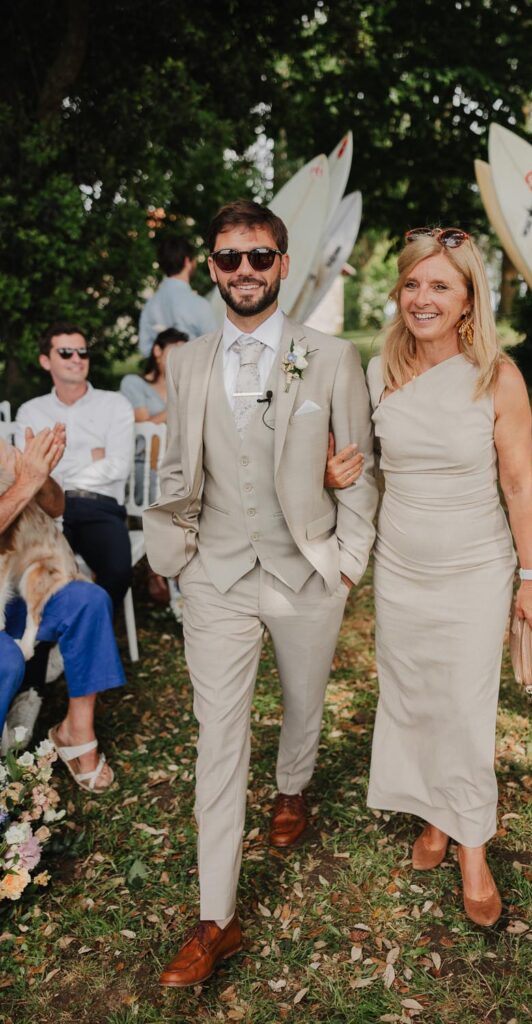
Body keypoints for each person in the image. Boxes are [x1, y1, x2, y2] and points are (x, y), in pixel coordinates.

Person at [143, 199, 377, 987]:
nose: (244, 270)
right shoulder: (188, 362)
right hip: (215, 576)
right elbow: (179, 466)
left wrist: (346, 560)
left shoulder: (332, 358)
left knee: (303, 702)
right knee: (218, 739)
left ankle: (293, 787)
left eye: (259, 257)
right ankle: (216, 918)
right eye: (228, 258)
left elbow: (361, 468)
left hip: (306, 569)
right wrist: (170, 553)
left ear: (283, 264)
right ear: (211, 267)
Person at [329, 226, 532, 928]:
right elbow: (363, 466)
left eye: (440, 286)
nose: (422, 299)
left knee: (461, 705)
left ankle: (472, 846)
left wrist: (530, 576)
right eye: (413, 284)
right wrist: (337, 473)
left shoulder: (497, 376)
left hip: (474, 566)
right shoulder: (380, 370)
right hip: (401, 565)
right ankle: (431, 813)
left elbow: (518, 487)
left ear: (466, 300)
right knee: (413, 696)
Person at [0, 428, 126, 792]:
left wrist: (41, 477)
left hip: (21, 585)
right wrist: (27, 482)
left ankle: (76, 730)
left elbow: (56, 507)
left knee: (90, 600)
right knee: (7, 658)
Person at [16, 323, 135, 608]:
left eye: (82, 352)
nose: (77, 359)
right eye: (66, 352)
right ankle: (43, 644)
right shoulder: (31, 411)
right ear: (46, 361)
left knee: (118, 572)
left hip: (98, 506)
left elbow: (118, 466)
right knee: (28, 571)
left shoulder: (115, 404)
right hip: (45, 510)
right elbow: (29, 471)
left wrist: (57, 471)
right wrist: (94, 457)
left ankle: (87, 627)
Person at [120, 327, 189, 603]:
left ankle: (177, 577)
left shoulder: (185, 387)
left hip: (178, 464)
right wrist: (178, 407)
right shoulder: (134, 384)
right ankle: (161, 573)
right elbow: (142, 424)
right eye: (175, 350)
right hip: (144, 471)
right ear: (158, 351)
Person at [138, 236, 215, 357]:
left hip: (161, 374)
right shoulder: (199, 305)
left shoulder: (149, 305)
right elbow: (213, 349)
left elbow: (145, 349)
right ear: (187, 261)